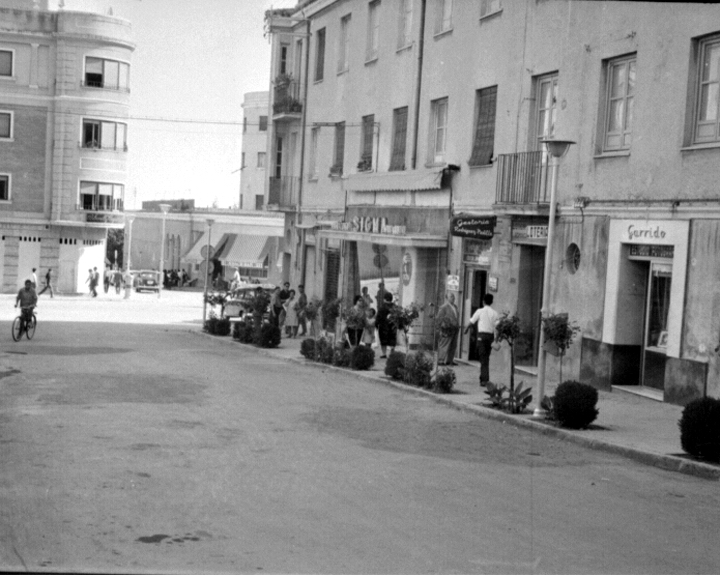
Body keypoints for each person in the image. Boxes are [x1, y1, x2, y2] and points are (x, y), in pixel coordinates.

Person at [465, 293, 500, 386]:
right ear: (491, 302)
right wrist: (496, 339)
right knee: (486, 357)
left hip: (481, 336)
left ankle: (484, 379)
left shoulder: (480, 311)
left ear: (483, 301)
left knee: (483, 358)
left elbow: (471, 322)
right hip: (490, 337)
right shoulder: (495, 313)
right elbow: (498, 327)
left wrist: (465, 330)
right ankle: (484, 377)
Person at [436, 292, 460, 366]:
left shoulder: (455, 307)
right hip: (446, 328)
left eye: (453, 296)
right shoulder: (444, 307)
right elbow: (439, 318)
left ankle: (450, 360)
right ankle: (440, 360)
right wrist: (441, 326)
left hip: (454, 328)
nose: (453, 298)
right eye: (451, 296)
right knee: (444, 344)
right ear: (447, 298)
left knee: (453, 345)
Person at [375, 292, 397, 358]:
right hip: (392, 326)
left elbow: (378, 316)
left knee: (383, 340)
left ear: (384, 299)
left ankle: (384, 354)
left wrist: (376, 324)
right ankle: (392, 352)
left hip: (383, 326)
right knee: (392, 339)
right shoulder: (395, 307)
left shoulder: (382, 307)